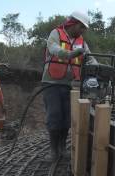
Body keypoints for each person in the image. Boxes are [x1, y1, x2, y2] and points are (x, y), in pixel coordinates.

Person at [42, 11, 97, 161]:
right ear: (72, 24)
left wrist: (99, 68)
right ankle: (53, 151)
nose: (82, 30)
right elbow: (55, 50)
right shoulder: (56, 34)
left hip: (71, 85)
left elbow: (91, 59)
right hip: (51, 84)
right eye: (81, 27)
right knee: (54, 116)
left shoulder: (82, 41)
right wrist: (72, 53)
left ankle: (62, 149)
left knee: (66, 118)